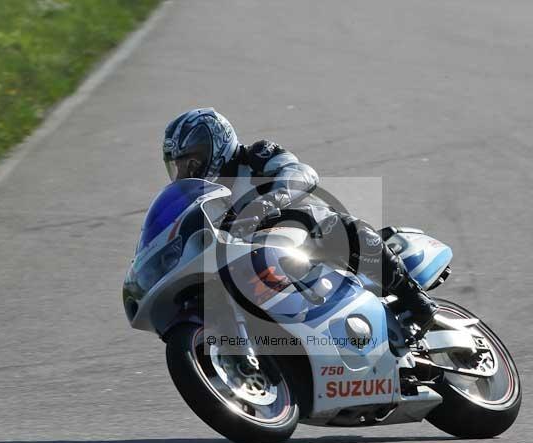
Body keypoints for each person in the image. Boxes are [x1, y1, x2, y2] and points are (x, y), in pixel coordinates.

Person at [161, 107, 437, 332]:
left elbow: (302, 173)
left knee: (331, 224)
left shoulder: (256, 155)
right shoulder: (204, 198)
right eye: (180, 166)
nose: (187, 171)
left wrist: (269, 200)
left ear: (215, 145)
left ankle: (416, 299)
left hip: (306, 235)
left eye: (192, 162)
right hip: (257, 260)